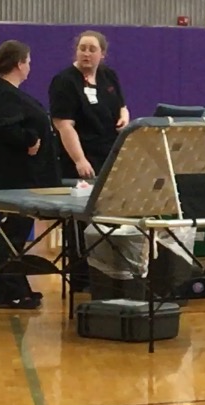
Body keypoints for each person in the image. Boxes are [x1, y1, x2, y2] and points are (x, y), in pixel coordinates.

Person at [48, 30, 129, 292]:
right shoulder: (64, 81)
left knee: (109, 217)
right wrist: (80, 159)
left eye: (92, 49)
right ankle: (80, 279)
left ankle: (108, 275)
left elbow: (121, 105)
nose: (86, 53)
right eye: (82, 48)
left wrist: (124, 115)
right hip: (80, 159)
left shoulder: (109, 76)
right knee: (81, 221)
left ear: (102, 54)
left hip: (109, 155)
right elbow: (64, 125)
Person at [0, 40, 60, 309]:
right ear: (19, 63)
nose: (29, 67)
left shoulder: (8, 92)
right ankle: (8, 292)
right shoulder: (3, 94)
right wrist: (29, 140)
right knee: (13, 233)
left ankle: (17, 285)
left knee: (16, 232)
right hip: (12, 178)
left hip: (22, 177)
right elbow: (4, 129)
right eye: (28, 62)